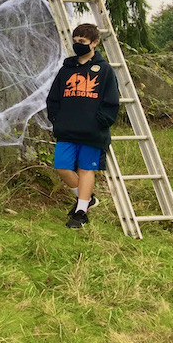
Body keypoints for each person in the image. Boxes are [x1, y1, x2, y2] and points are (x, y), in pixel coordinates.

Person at [47, 23, 120, 229]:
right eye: (76, 41)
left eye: (83, 42)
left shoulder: (104, 70)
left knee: (87, 169)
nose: (78, 45)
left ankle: (81, 212)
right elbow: (54, 98)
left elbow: (112, 102)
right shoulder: (66, 69)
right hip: (67, 130)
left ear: (95, 43)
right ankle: (86, 199)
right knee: (62, 167)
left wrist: (99, 122)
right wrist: (57, 119)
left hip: (92, 133)